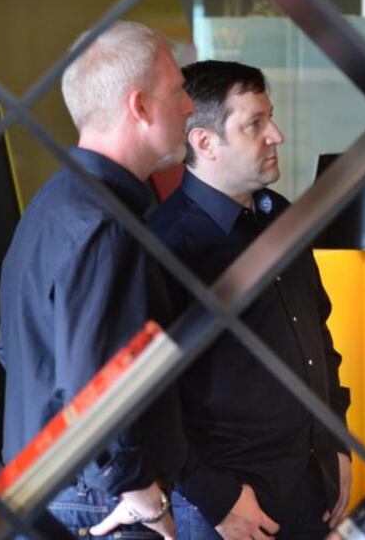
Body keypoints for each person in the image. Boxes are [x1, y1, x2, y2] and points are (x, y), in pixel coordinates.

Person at [0, 20, 194, 539]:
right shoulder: (105, 223)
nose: (190, 106)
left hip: (62, 494)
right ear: (140, 106)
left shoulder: (53, 207)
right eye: (178, 91)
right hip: (104, 507)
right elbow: (96, 388)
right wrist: (145, 500)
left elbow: (14, 352)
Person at [148, 60, 351, 540]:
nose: (276, 135)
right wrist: (215, 496)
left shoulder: (281, 215)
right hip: (229, 503)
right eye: (255, 124)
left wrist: (335, 441)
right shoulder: (166, 245)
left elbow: (317, 336)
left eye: (270, 117)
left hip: (312, 484)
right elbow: (150, 397)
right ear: (204, 143)